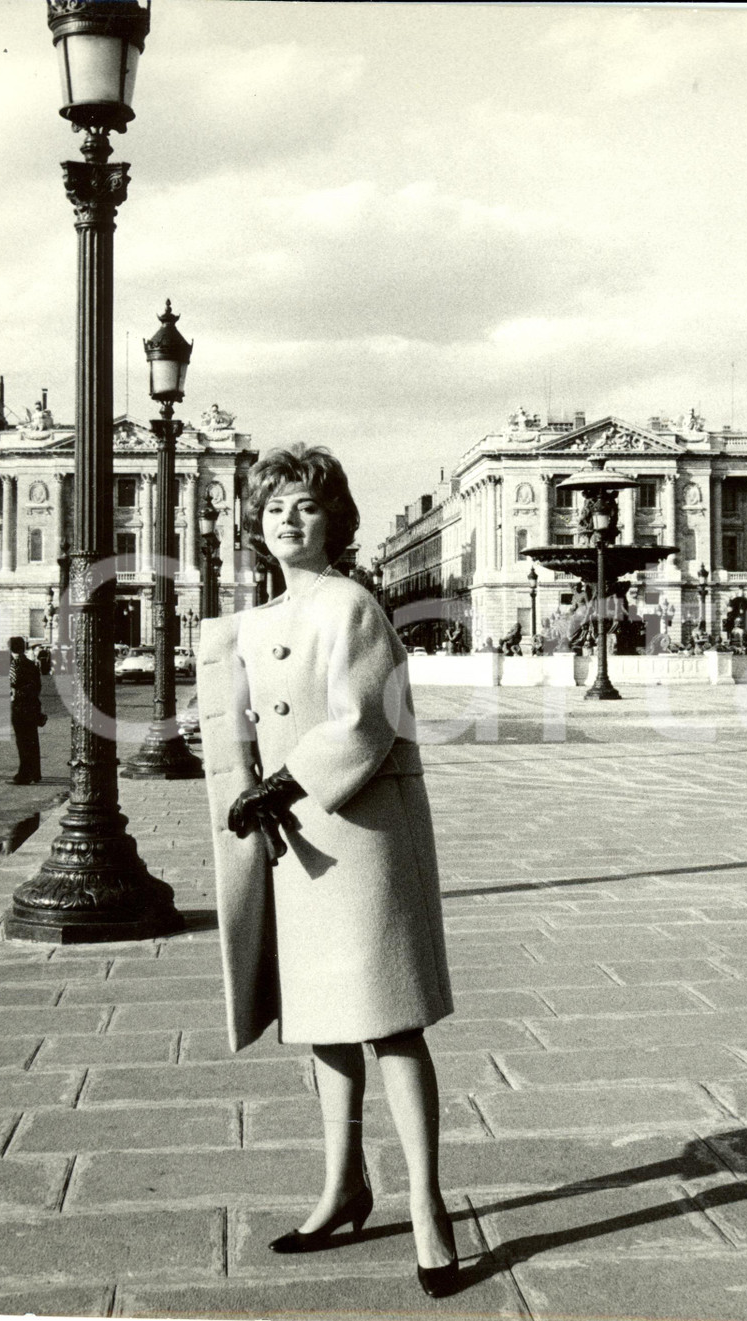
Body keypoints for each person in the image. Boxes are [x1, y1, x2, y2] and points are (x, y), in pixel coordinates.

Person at [196, 445, 458, 1298]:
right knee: (324, 1019)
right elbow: (238, 717)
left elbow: (366, 719)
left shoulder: (351, 603)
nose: (287, 518)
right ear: (255, 522)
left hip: (363, 831)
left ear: (333, 521)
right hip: (297, 841)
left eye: (305, 504)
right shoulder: (257, 620)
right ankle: (342, 1184)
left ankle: (427, 1204)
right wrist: (241, 777)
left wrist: (281, 782)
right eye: (273, 506)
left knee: (391, 1018)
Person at [7, 636, 43, 785]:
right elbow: (37, 687)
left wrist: (15, 694)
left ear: (10, 648)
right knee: (33, 740)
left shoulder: (14, 665)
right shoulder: (32, 664)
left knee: (22, 742)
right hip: (32, 706)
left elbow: (14, 685)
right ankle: (35, 773)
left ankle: (24, 774)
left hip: (20, 707)